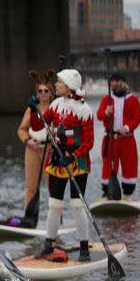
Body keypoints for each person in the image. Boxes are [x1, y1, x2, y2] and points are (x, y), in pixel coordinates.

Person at [36, 68, 94, 262]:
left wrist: (74, 157)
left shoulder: (84, 110)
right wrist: (34, 109)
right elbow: (39, 125)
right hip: (57, 160)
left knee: (77, 205)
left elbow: (89, 142)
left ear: (68, 86)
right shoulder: (56, 104)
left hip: (77, 162)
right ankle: (48, 245)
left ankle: (84, 247)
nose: (56, 85)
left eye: (59, 82)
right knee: (54, 205)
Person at [96, 72, 140, 200]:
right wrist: (106, 112)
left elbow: (137, 118)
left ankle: (127, 195)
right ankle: (107, 192)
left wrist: (127, 127)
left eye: (115, 82)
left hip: (127, 139)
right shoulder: (107, 99)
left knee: (129, 165)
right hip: (110, 138)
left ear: (122, 82)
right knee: (108, 166)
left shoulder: (133, 99)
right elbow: (99, 115)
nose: (113, 86)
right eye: (111, 83)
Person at [18, 70, 55, 209]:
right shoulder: (32, 109)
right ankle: (29, 217)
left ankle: (57, 218)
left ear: (51, 93)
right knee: (31, 186)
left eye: (46, 91)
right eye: (40, 91)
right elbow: (21, 129)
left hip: (50, 150)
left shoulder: (55, 109)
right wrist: (28, 141)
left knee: (53, 187)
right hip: (32, 149)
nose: (43, 93)